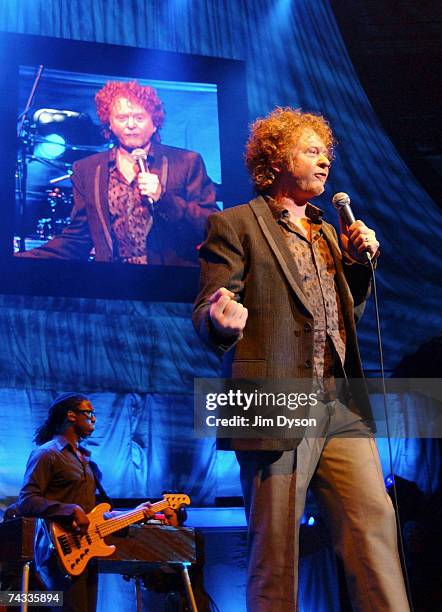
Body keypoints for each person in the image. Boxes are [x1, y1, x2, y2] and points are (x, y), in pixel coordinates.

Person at [192, 108, 410, 610]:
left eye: (326, 154)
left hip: (340, 400)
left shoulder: (329, 231)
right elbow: (209, 304)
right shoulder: (235, 224)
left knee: (373, 526)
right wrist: (219, 320)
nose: (324, 162)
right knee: (276, 548)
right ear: (275, 160)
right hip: (275, 398)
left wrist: (358, 264)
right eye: (312, 151)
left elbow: (341, 310)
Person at [17, 81, 218, 265]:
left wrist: (164, 199)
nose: (131, 125)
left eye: (139, 117)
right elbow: (77, 238)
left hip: (168, 283)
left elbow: (211, 228)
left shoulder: (186, 162)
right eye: (122, 118)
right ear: (110, 124)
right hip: (113, 284)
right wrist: (18, 259)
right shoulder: (87, 170)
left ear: (154, 122)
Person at [17, 393, 177, 612]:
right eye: (89, 413)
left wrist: (135, 513)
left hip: (84, 554)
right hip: (57, 553)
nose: (94, 418)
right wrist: (70, 510)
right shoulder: (47, 454)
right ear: (71, 415)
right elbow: (27, 500)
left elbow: (95, 515)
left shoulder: (87, 463)